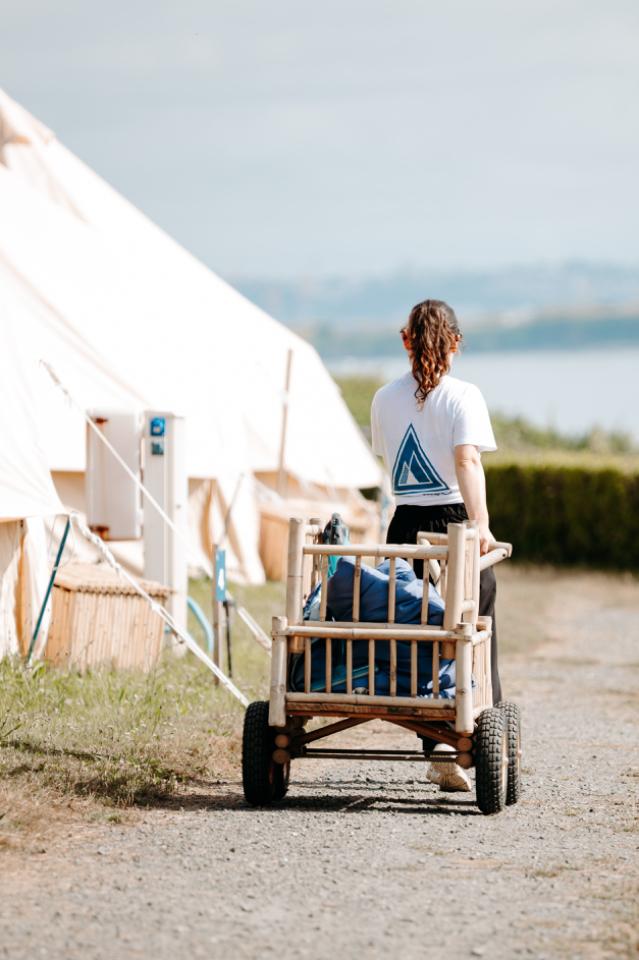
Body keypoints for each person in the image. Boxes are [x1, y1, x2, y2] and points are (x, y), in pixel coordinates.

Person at [371, 298, 501, 791]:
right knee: (475, 620)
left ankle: (434, 741)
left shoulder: (384, 398)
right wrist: (481, 523)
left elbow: (393, 462)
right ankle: (470, 732)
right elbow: (466, 462)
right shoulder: (464, 395)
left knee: (417, 628)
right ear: (456, 343)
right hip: (452, 522)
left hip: (404, 524)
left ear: (405, 340)